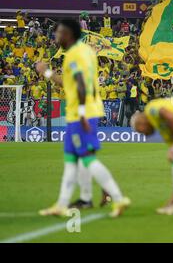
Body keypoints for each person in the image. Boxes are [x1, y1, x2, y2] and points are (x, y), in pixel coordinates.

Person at [35, 19, 130, 217]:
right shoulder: (86, 51)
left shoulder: (75, 54)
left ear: (68, 34)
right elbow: (67, 82)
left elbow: (79, 84)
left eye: (59, 32)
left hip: (82, 113)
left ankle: (118, 198)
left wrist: (81, 113)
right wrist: (47, 73)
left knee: (86, 158)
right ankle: (73, 201)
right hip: (81, 111)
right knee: (72, 159)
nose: (56, 37)